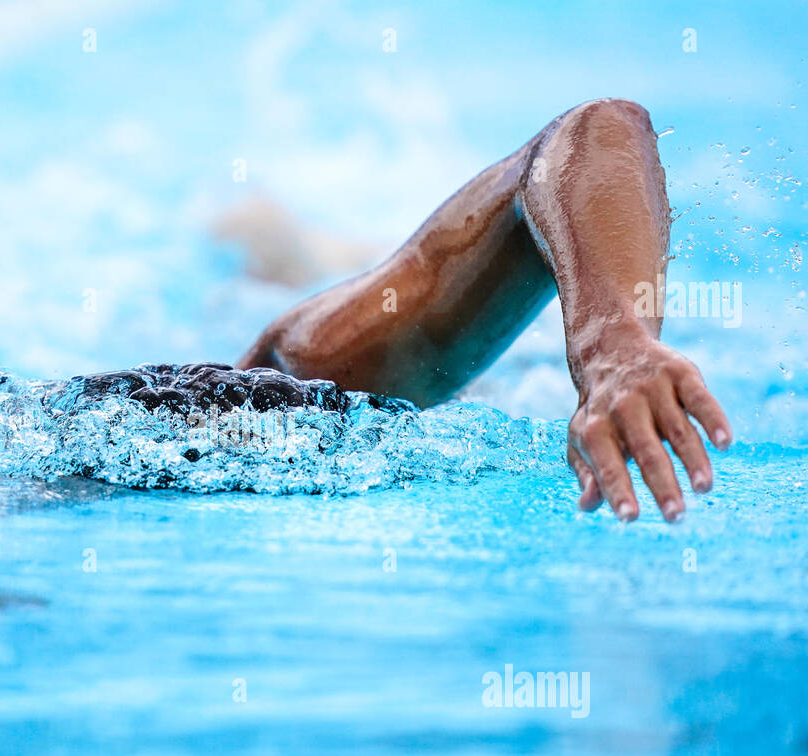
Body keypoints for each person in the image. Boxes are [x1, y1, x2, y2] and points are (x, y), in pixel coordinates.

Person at [237, 98, 731, 523]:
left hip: (408, 310)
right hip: (478, 361)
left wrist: (611, 346)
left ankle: (282, 241)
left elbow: (596, 129)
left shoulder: (282, 387)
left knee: (274, 256)